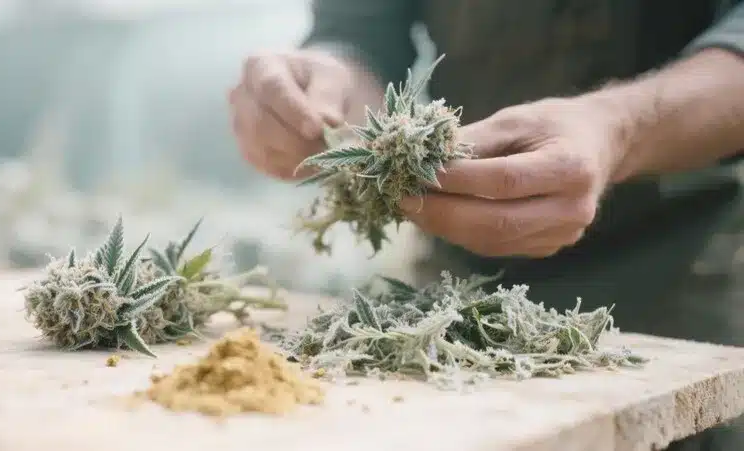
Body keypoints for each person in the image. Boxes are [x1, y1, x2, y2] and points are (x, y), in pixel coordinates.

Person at [228, 1, 744, 449]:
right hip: (452, 303)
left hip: (686, 289)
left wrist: (623, 130)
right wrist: (325, 88)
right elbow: (360, 30)